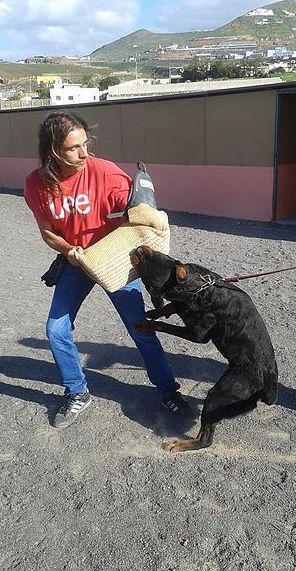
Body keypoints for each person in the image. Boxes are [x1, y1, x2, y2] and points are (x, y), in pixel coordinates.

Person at [24, 111, 188, 428]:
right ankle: (77, 392)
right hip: (77, 262)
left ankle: (168, 389)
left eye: (86, 144)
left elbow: (134, 205)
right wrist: (69, 251)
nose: (84, 153)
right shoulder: (37, 184)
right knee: (56, 329)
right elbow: (47, 231)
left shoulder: (102, 171)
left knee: (140, 328)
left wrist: (143, 210)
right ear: (54, 150)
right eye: (74, 148)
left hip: (112, 259)